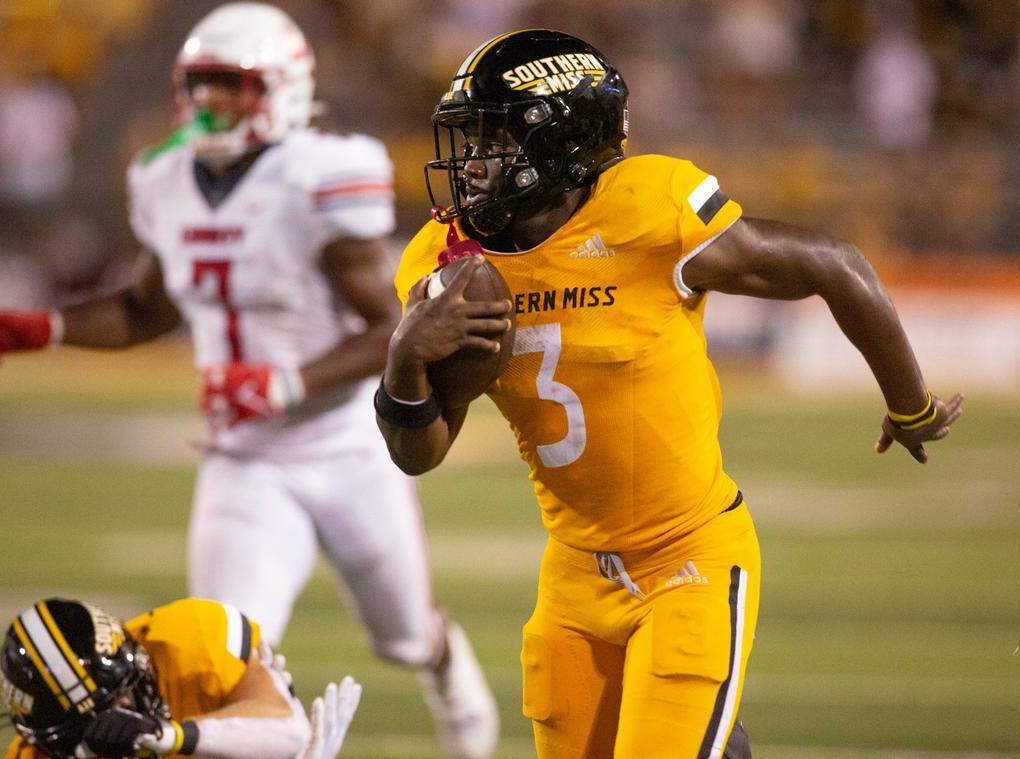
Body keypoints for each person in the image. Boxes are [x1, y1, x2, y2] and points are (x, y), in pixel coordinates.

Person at [377, 29, 964, 758]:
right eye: (469, 142)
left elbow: (835, 265)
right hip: (572, 578)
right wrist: (403, 364)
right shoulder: (445, 262)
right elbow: (419, 453)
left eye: (493, 141)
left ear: (560, 140)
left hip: (687, 559)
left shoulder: (649, 208)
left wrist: (911, 405)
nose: (470, 164)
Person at [0, 5, 498, 757]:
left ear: (283, 88)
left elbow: (393, 323)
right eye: (201, 83)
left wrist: (286, 383)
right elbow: (143, 306)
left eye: (233, 83)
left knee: (407, 636)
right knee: (217, 668)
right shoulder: (163, 178)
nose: (212, 102)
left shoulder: (322, 173)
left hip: (347, 442)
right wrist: (51, 327)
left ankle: (453, 684)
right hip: (245, 459)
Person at [0, 596, 359, 758]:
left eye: (119, 698)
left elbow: (288, 731)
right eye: (87, 724)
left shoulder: (187, 641)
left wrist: (168, 735)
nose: (117, 719)